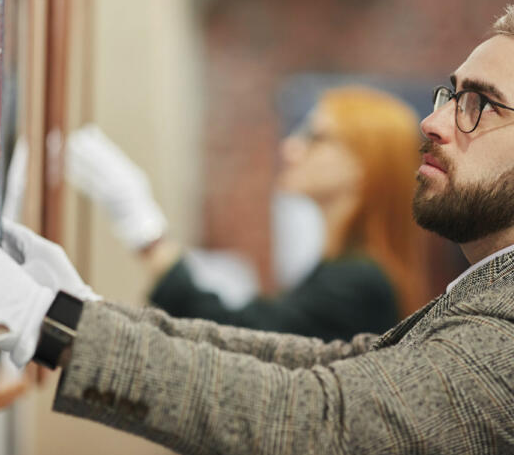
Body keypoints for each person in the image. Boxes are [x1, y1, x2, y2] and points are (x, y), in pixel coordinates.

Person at [0, 0, 514, 455]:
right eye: (448, 92)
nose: (432, 123)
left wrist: (52, 324)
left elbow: (321, 420)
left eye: (479, 105)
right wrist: (76, 314)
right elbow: (323, 364)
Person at [65, 86, 428, 345]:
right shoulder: (346, 270)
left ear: (364, 167)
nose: (290, 148)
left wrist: (146, 233)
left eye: (315, 137)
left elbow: (241, 338)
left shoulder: (360, 282)